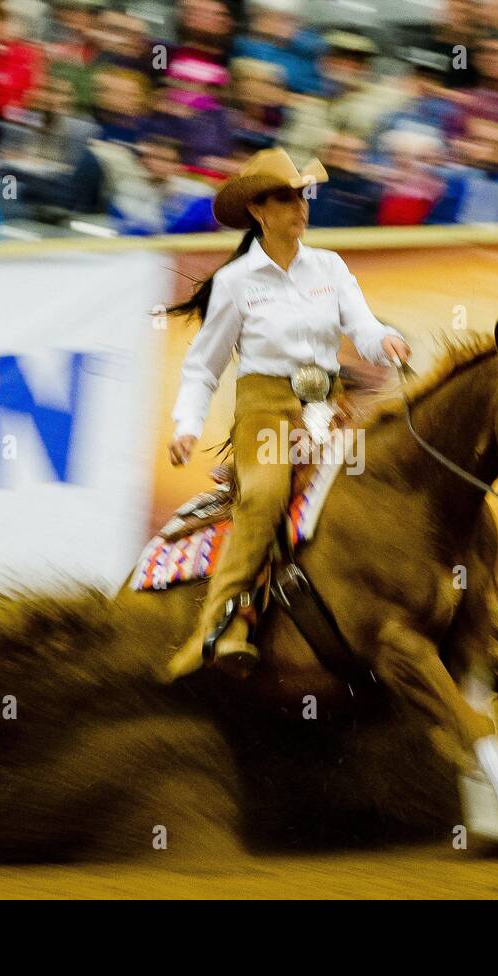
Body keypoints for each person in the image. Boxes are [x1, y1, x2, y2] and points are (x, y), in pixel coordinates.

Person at [164, 147, 410, 680]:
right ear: (258, 211)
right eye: (285, 198)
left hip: (330, 404)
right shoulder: (235, 283)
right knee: (266, 493)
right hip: (265, 411)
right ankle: (219, 627)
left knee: (387, 479)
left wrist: (385, 341)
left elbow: (363, 329)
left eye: (302, 195)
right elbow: (203, 367)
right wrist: (187, 425)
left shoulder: (330, 267)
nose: (300, 207)